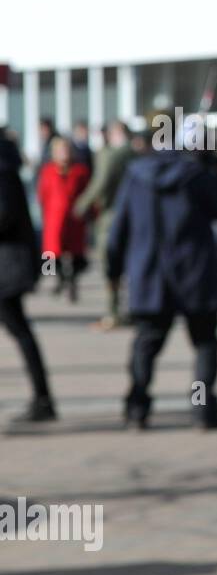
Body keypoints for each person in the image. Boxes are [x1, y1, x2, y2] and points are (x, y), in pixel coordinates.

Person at [107, 113, 217, 430]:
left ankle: (138, 406)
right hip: (195, 273)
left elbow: (118, 229)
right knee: (203, 343)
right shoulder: (194, 173)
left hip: (151, 275)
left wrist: (113, 271)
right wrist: (212, 167)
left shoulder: (135, 175)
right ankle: (201, 407)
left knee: (146, 344)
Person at [0, 132, 57, 423]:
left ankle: (44, 399)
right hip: (10, 263)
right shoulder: (7, 162)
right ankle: (43, 397)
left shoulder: (3, 166)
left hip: (7, 265)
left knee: (20, 330)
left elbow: (4, 215)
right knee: (21, 331)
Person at [74, 119, 136, 328]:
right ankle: (131, 309)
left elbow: (100, 182)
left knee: (110, 264)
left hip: (112, 216)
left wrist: (82, 205)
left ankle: (113, 312)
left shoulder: (112, 155)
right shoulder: (138, 154)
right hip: (135, 216)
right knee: (130, 264)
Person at [36, 137, 91, 303]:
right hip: (54, 217)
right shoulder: (48, 170)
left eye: (66, 150)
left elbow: (87, 193)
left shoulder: (80, 171)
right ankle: (59, 279)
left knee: (76, 253)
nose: (64, 154)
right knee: (52, 253)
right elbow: (42, 194)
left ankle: (73, 282)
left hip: (74, 218)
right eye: (60, 150)